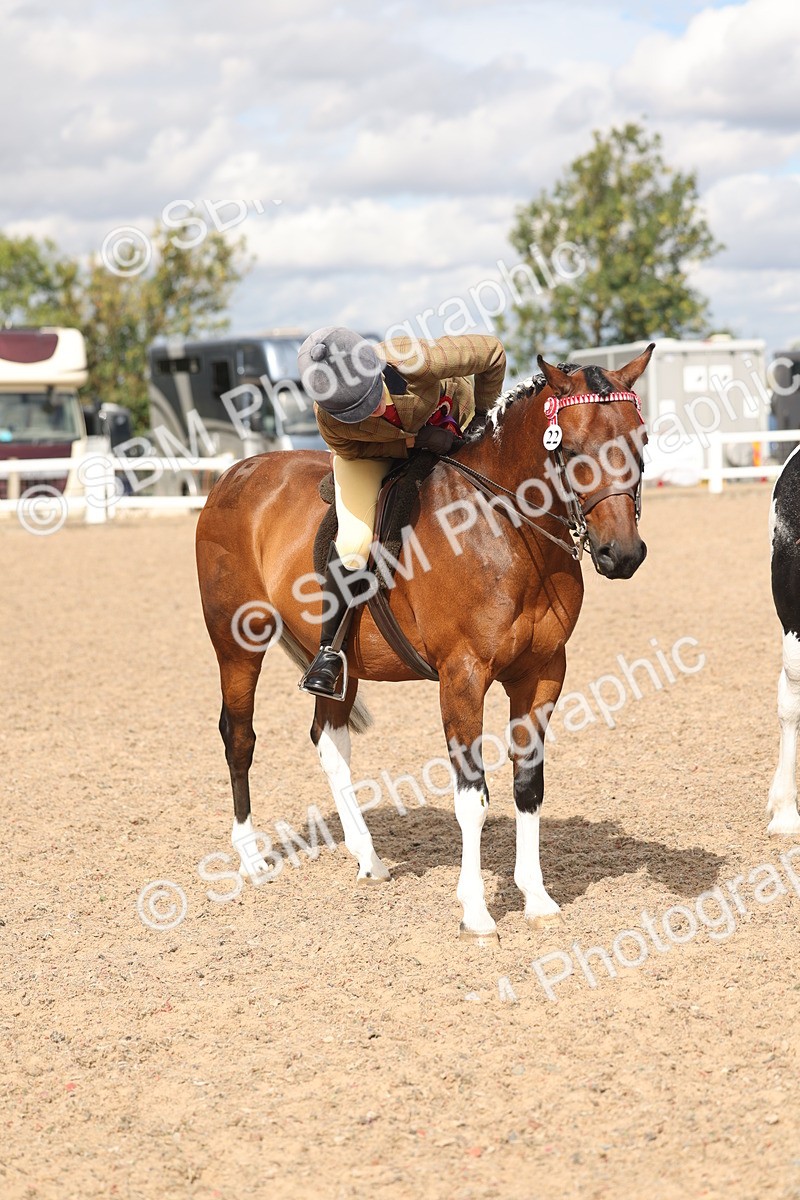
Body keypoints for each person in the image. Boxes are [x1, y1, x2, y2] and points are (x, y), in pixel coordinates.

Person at [296, 327, 507, 698]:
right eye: (358, 412)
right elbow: (354, 450)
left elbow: (492, 353)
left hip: (454, 423)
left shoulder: (416, 360)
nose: (374, 410)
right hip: (371, 457)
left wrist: (480, 417)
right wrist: (412, 442)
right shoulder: (329, 419)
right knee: (354, 543)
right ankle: (329, 652)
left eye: (371, 397)